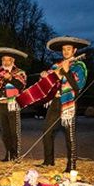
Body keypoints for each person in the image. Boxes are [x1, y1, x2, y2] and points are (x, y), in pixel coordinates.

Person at [37, 36, 89, 172]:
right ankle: (48, 161)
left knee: (69, 135)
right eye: (64, 49)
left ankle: (71, 166)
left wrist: (66, 71)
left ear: (74, 50)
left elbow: (77, 86)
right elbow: (47, 85)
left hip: (68, 103)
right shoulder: (55, 66)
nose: (66, 52)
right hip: (54, 101)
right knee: (46, 131)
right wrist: (44, 76)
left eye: (68, 49)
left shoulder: (79, 65)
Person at [0, 47, 28, 162]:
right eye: (3, 60)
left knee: (14, 131)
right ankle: (8, 154)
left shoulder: (19, 72)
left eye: (8, 60)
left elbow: (21, 86)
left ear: (13, 61)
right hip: (0, 104)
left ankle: (16, 155)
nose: (5, 62)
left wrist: (10, 78)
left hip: (13, 104)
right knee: (5, 132)